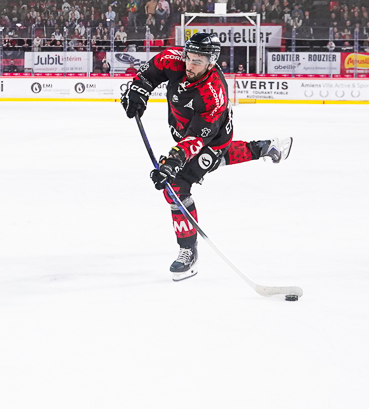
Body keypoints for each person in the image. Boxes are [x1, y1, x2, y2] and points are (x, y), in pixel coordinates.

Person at [120, 32, 293, 281]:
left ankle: (188, 251)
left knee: (176, 186)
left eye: (197, 61)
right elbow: (150, 73)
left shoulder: (213, 95)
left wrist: (171, 163)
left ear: (211, 63)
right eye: (189, 58)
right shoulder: (175, 59)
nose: (190, 65)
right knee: (213, 162)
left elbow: (196, 140)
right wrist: (138, 90)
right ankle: (265, 148)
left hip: (212, 139)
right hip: (184, 133)